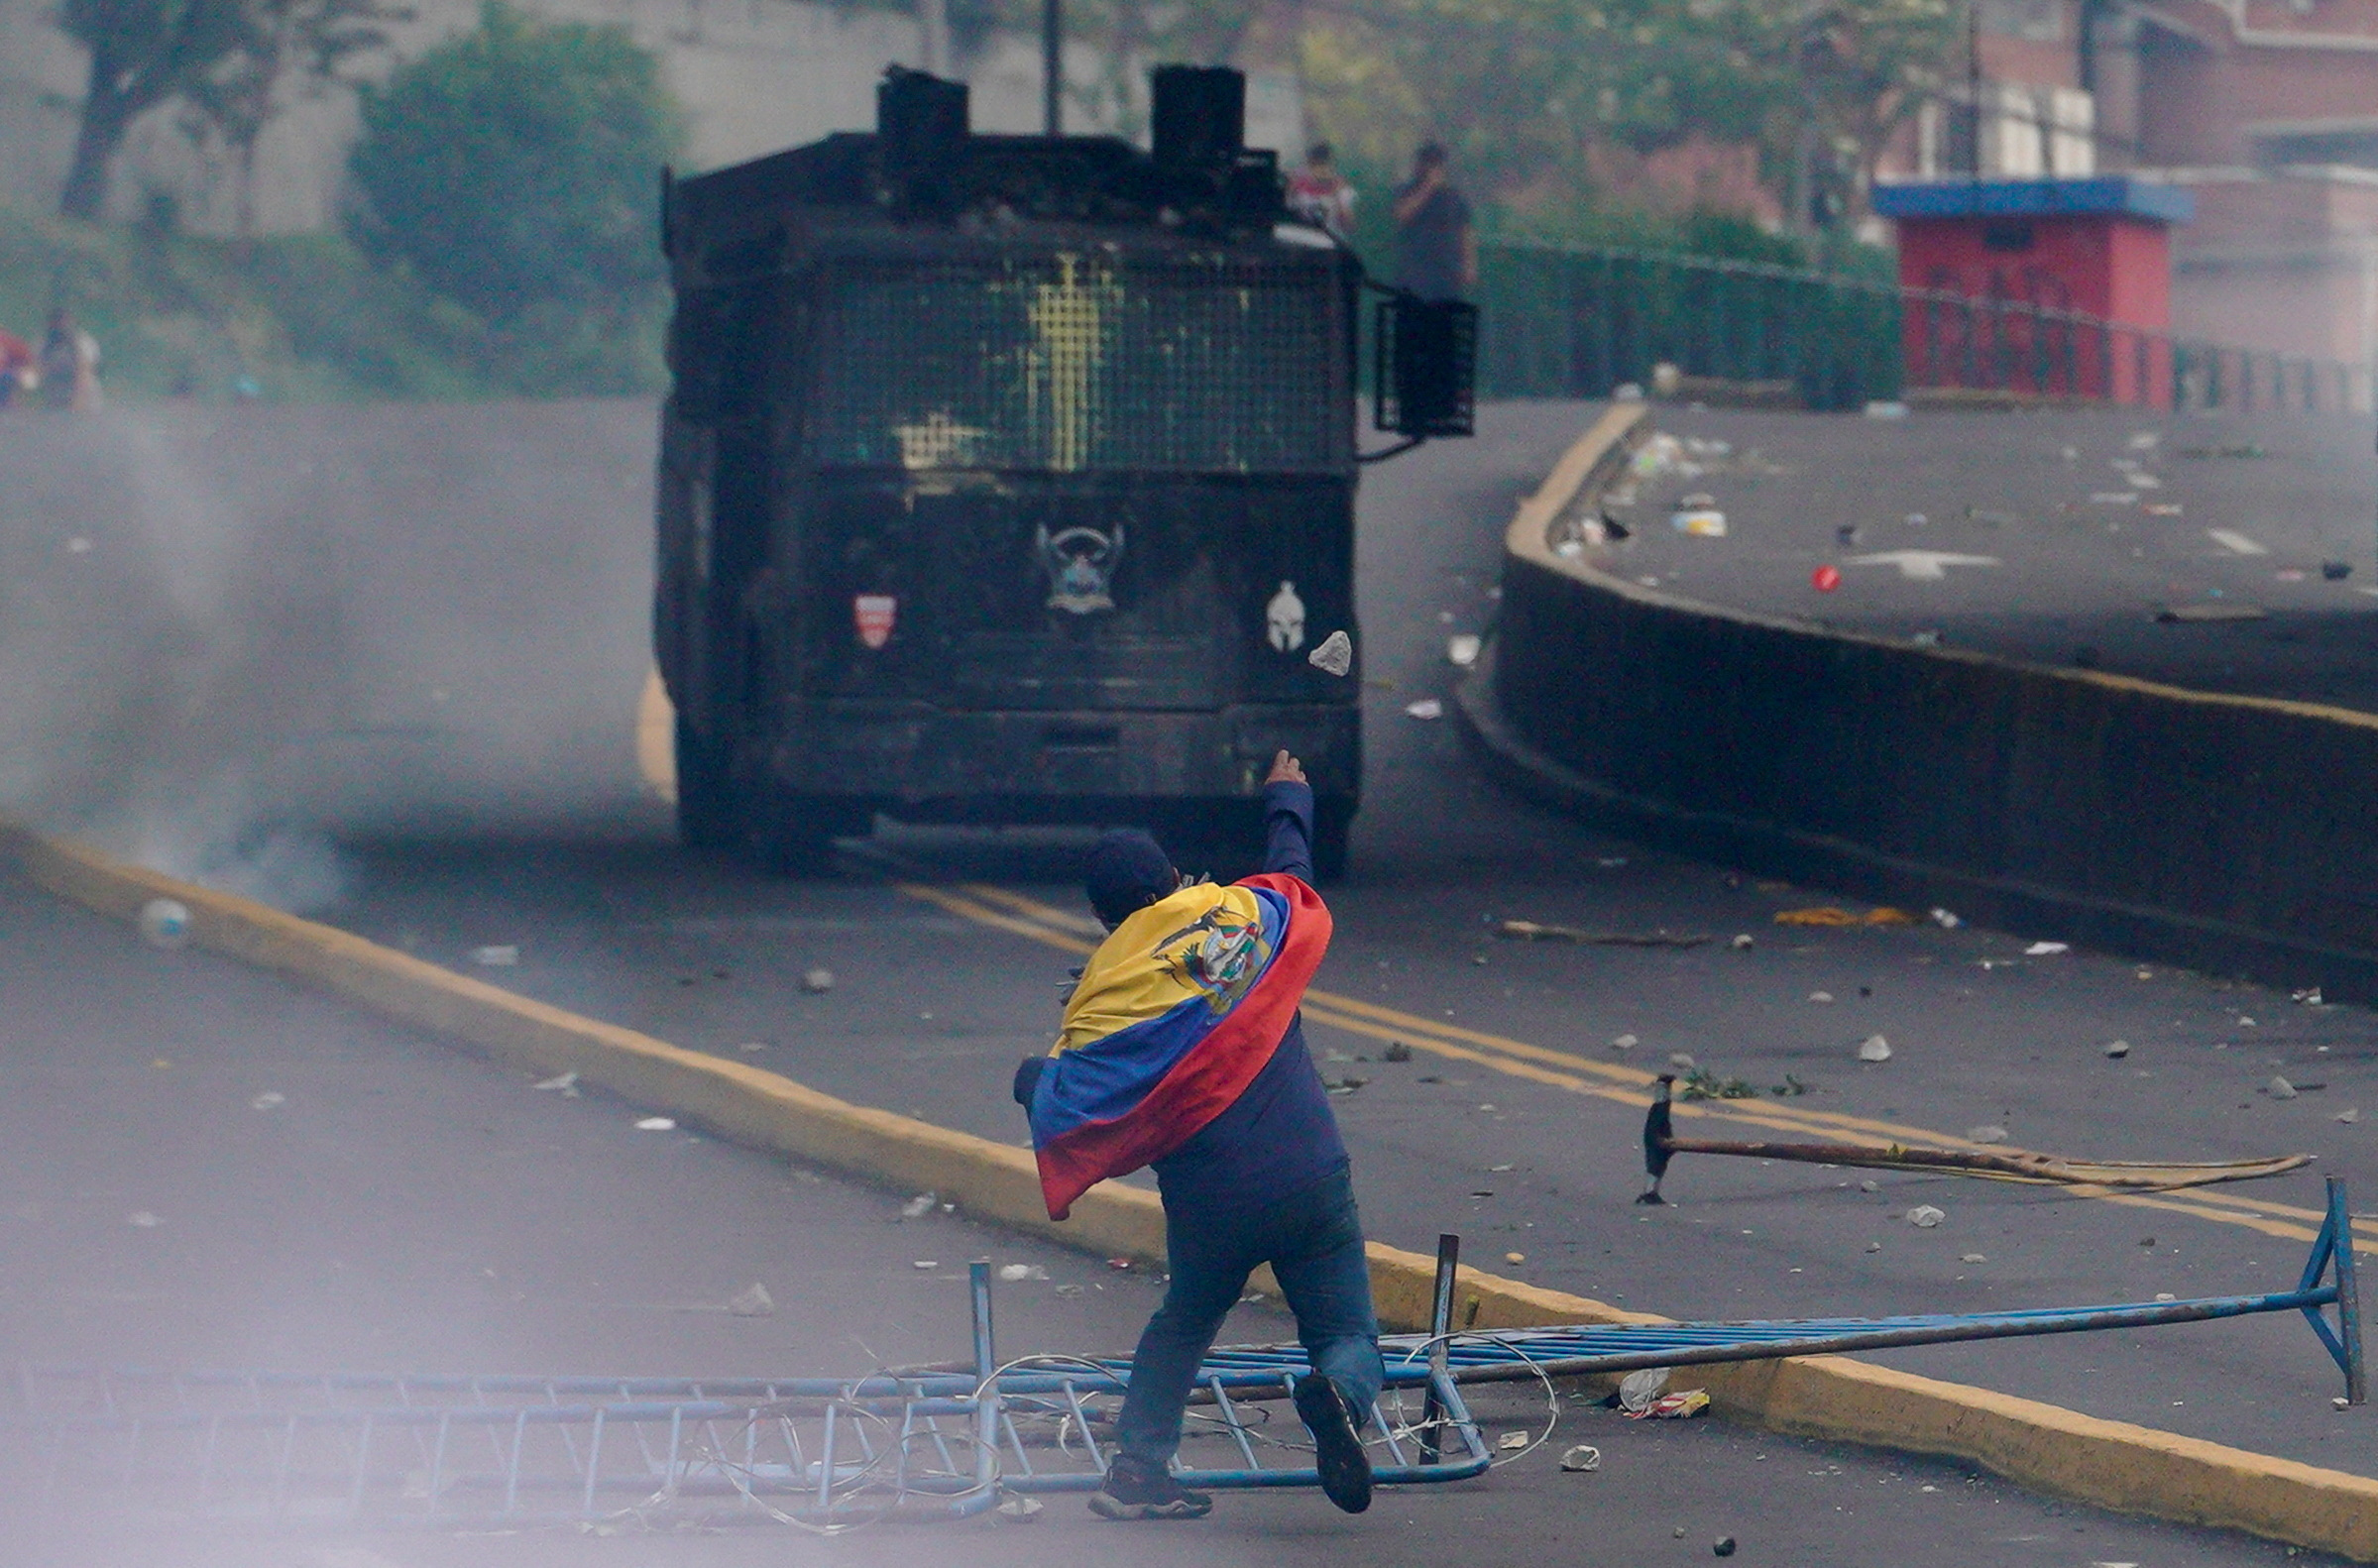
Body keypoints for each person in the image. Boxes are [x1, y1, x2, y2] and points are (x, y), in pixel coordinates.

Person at [1013, 749, 1381, 1521]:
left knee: (1182, 1326)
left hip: (1210, 1202)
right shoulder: (1250, 920)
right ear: (1175, 876)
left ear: (1104, 918)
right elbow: (1293, 870)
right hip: (1310, 1176)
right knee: (1345, 1330)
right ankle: (1339, 1395)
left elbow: (1064, 1100)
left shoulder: (1104, 998)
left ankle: (1138, 1470)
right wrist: (1287, 797)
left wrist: (1027, 1079)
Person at [1392, 142, 1475, 301]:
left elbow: (1466, 231)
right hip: (1414, 270)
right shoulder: (1406, 190)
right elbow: (1401, 215)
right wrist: (1427, 188)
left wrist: (1469, 265)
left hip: (1447, 272)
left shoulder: (1453, 196)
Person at [1287, 142, 1357, 242]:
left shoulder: (1343, 191)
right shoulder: (1299, 189)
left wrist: (1336, 197)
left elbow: (1349, 227)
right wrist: (1291, 189)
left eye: (1324, 164)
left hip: (1330, 242)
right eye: (1316, 165)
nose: (1321, 170)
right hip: (1303, 242)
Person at [38, 308, 101, 412]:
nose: (59, 327)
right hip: (54, 396)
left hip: (85, 401)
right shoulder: (43, 343)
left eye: (62, 322)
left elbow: (84, 373)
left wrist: (76, 404)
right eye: (55, 323)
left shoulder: (83, 342)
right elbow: (37, 369)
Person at [0, 328, 34, 407]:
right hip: (4, 374)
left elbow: (25, 357)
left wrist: (16, 368)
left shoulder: (5, 340)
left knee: (8, 378)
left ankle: (8, 402)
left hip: (5, 375)